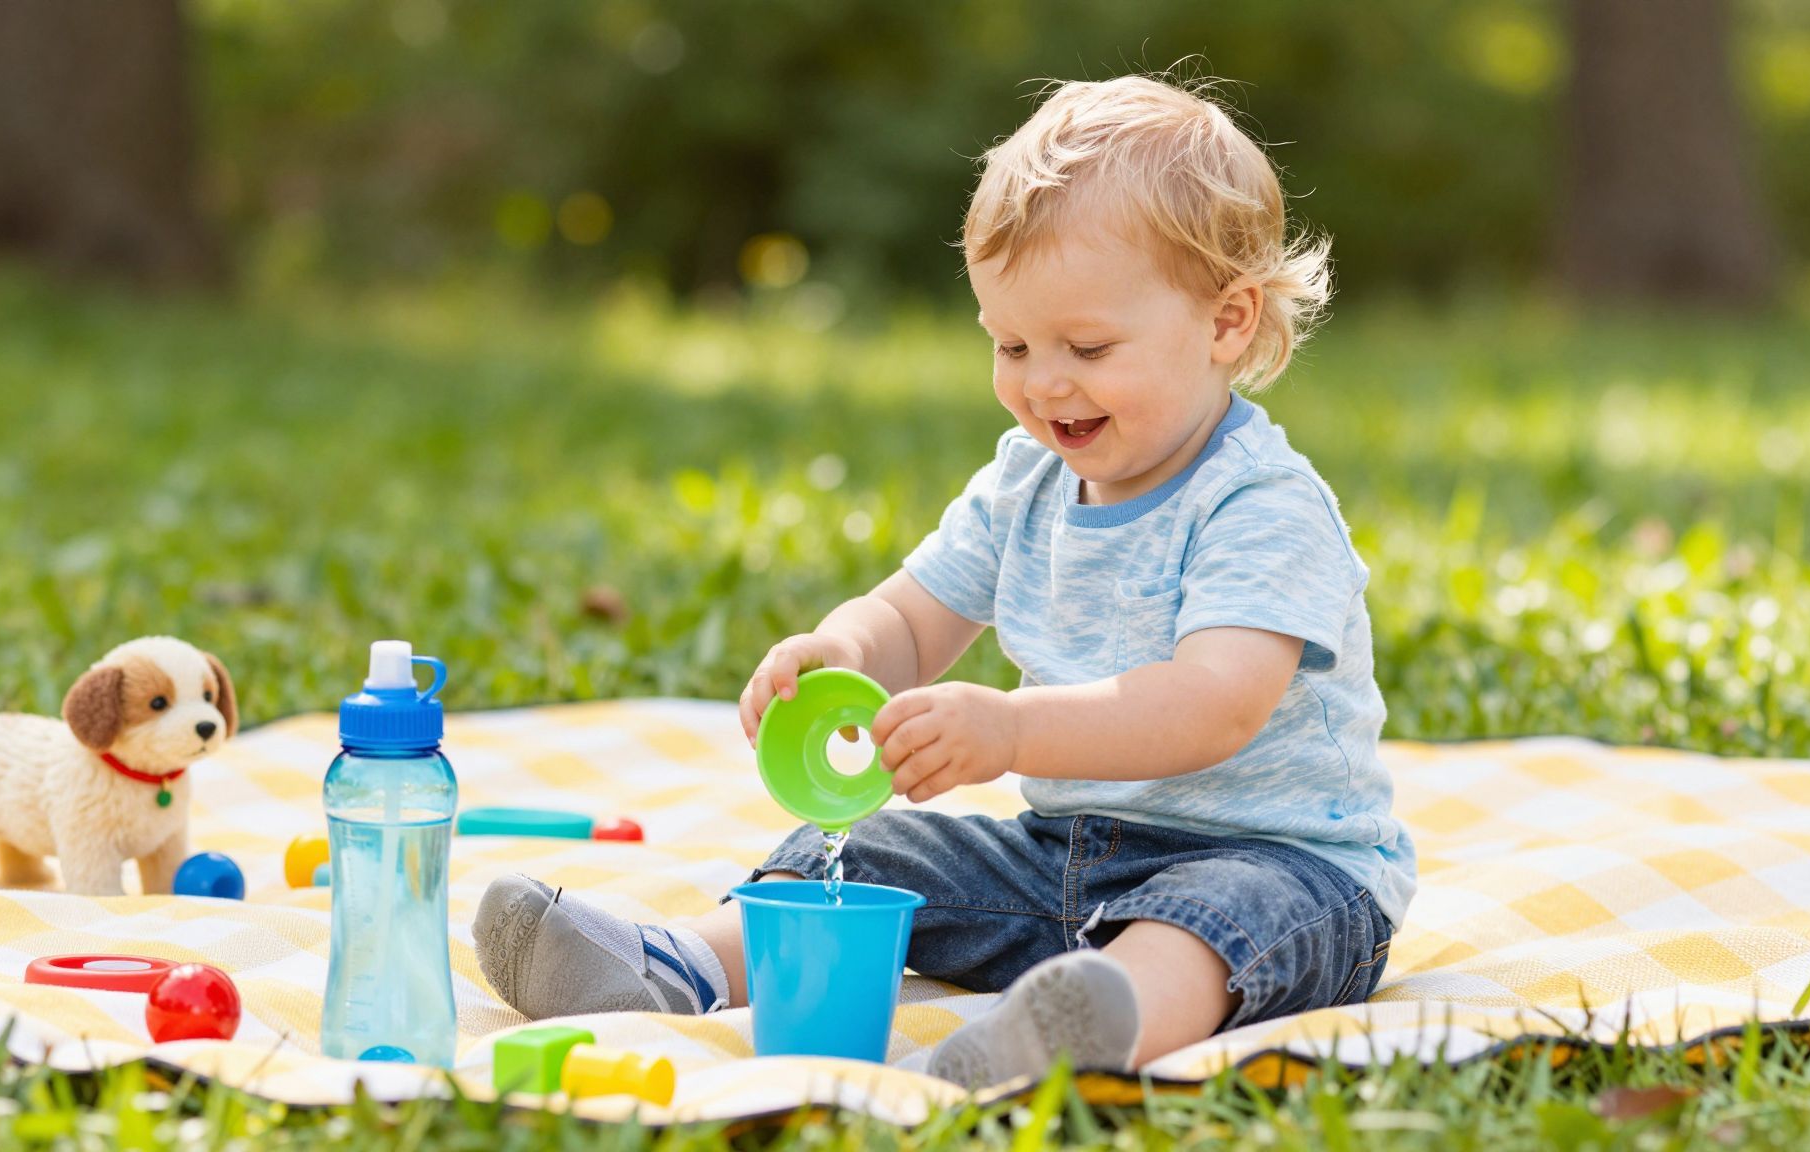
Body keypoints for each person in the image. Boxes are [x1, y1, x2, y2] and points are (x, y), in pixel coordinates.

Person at [472, 73, 1415, 1089]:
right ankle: (675, 967)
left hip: (1284, 869)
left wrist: (1009, 731)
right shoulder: (1027, 484)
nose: (1042, 382)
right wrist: (838, 653)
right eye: (1009, 344)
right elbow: (909, 621)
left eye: (1086, 347)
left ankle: (1084, 1027)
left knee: (1211, 923)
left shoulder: (1259, 505)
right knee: (872, 853)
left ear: (1225, 324)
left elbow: (1212, 707)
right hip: (1060, 860)